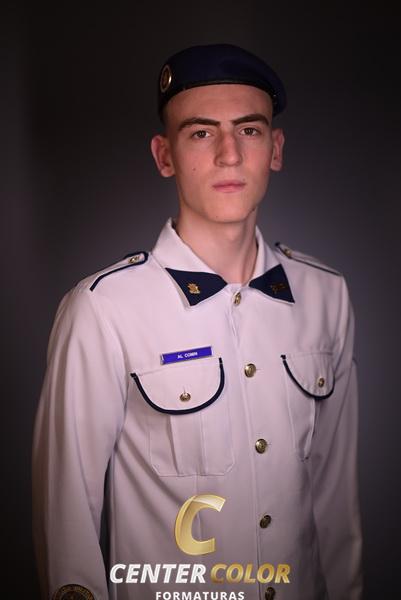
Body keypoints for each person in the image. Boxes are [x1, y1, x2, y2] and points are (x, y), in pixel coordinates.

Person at [32, 44, 362, 600]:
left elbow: (337, 505)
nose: (229, 155)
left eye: (249, 130)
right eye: (202, 133)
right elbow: (66, 525)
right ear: (165, 155)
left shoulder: (326, 295)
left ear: (276, 149)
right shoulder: (103, 310)